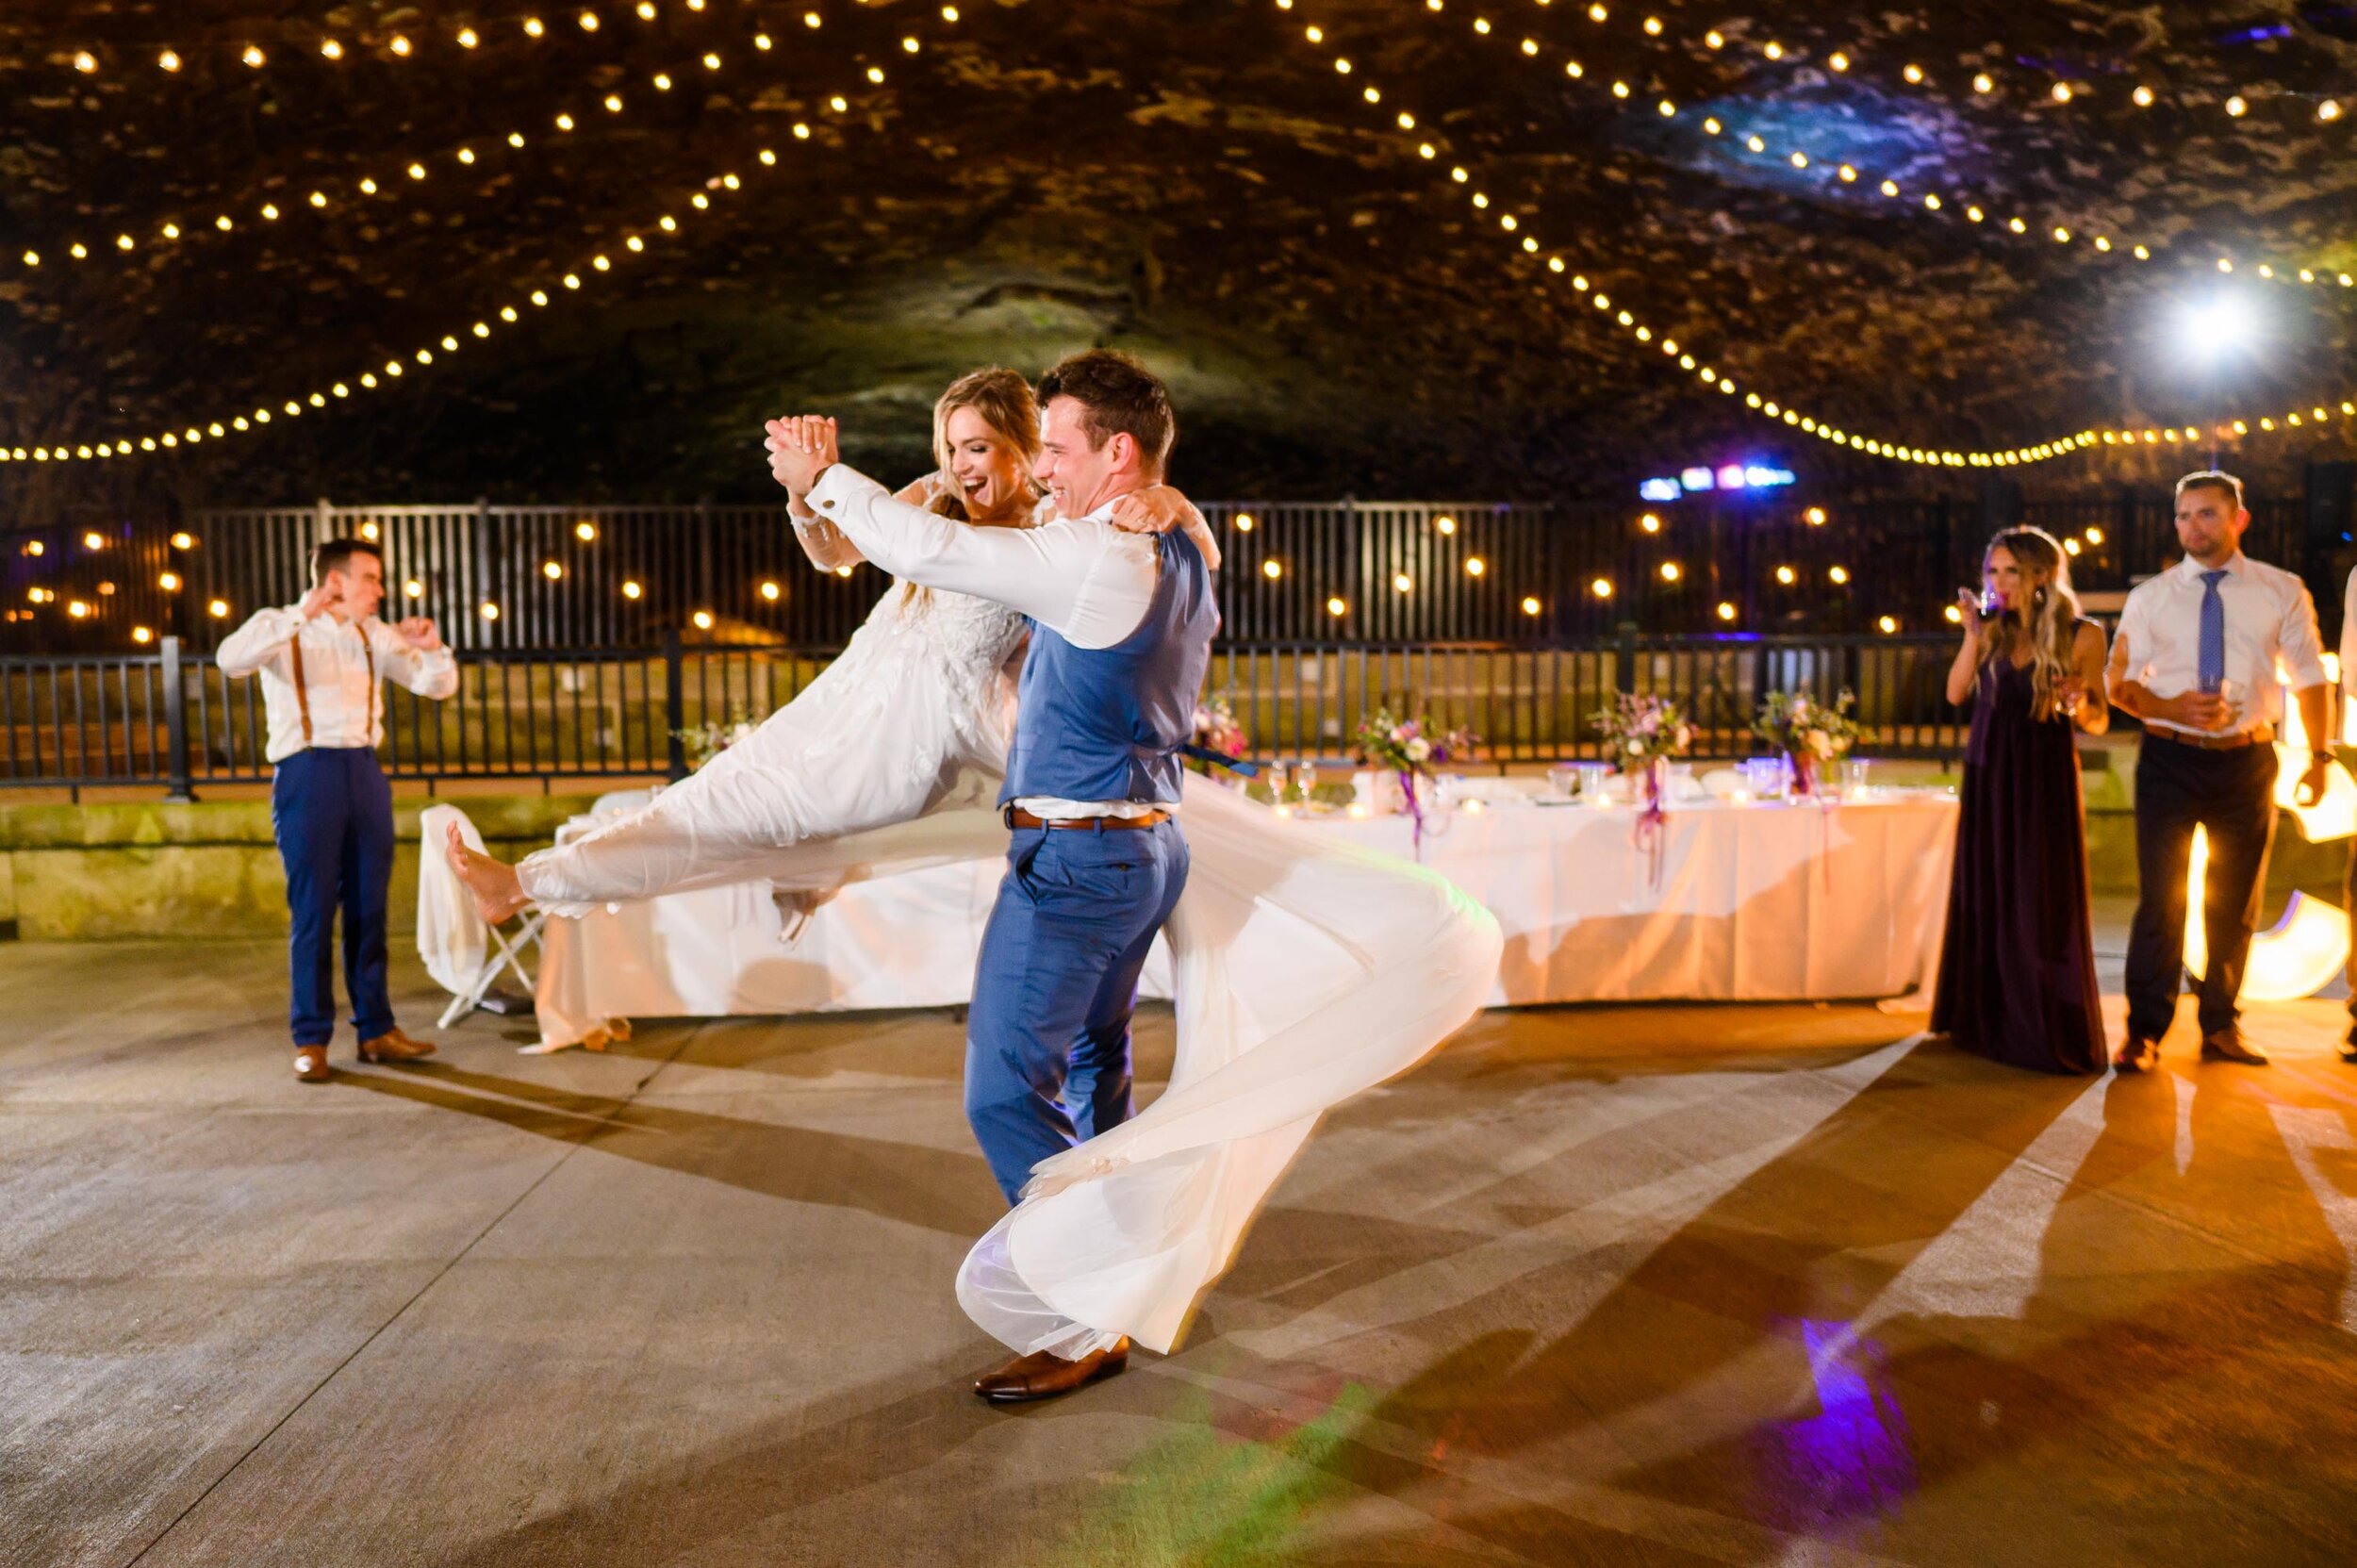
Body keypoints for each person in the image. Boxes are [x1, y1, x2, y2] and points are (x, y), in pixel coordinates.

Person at [446, 356, 1500, 1406]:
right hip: (1122, 841)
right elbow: (886, 543)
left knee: (999, 1082)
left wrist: (826, 474)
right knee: (1093, 1053)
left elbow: (926, 548)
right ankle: (1118, 1253)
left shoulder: (1081, 552)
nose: (1031, 467)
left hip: (1058, 837)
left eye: (1043, 448)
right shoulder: (1156, 538)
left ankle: (1082, 1307)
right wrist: (821, 496)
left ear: (1100, 452)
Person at [2106, 470, 2332, 1072]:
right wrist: (2169, 706)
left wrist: (2320, 757)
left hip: (2247, 762)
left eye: (2206, 514)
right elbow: (2118, 684)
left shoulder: (2282, 590)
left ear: (2240, 519)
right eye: (2183, 516)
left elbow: (2310, 678)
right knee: (2161, 900)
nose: (2191, 527)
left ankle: (2221, 1026)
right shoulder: (2150, 597)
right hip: (2168, 759)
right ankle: (2143, 1032)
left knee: (2234, 904)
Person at [216, 538, 458, 1081]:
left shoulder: (373, 633)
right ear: (334, 581)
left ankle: (376, 1029)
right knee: (314, 911)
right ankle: (311, 1039)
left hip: (364, 772)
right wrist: (304, 613)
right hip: (307, 773)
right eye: (370, 578)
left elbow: (434, 686)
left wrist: (435, 649)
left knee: (370, 908)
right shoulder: (281, 625)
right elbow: (230, 660)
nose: (379, 590)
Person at [1931, 528, 2111, 1073]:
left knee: (2038, 898)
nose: (2000, 583)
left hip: (2041, 779)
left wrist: (2078, 702)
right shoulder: (1989, 631)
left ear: (2042, 576)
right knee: (1988, 891)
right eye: (1993, 571)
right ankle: (1982, 1019)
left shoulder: (2083, 635)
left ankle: (2039, 1024)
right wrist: (1970, 634)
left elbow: (2100, 721)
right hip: (1989, 772)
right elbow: (1956, 693)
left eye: (2012, 571)